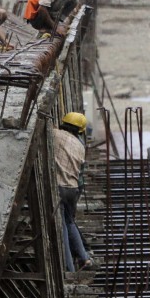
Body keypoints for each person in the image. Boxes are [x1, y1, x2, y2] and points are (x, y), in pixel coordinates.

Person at [55, 112, 92, 271]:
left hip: (59, 186)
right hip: (73, 189)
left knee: (61, 225)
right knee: (69, 222)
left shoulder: (54, 134)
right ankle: (84, 257)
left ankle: (69, 268)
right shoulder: (80, 146)